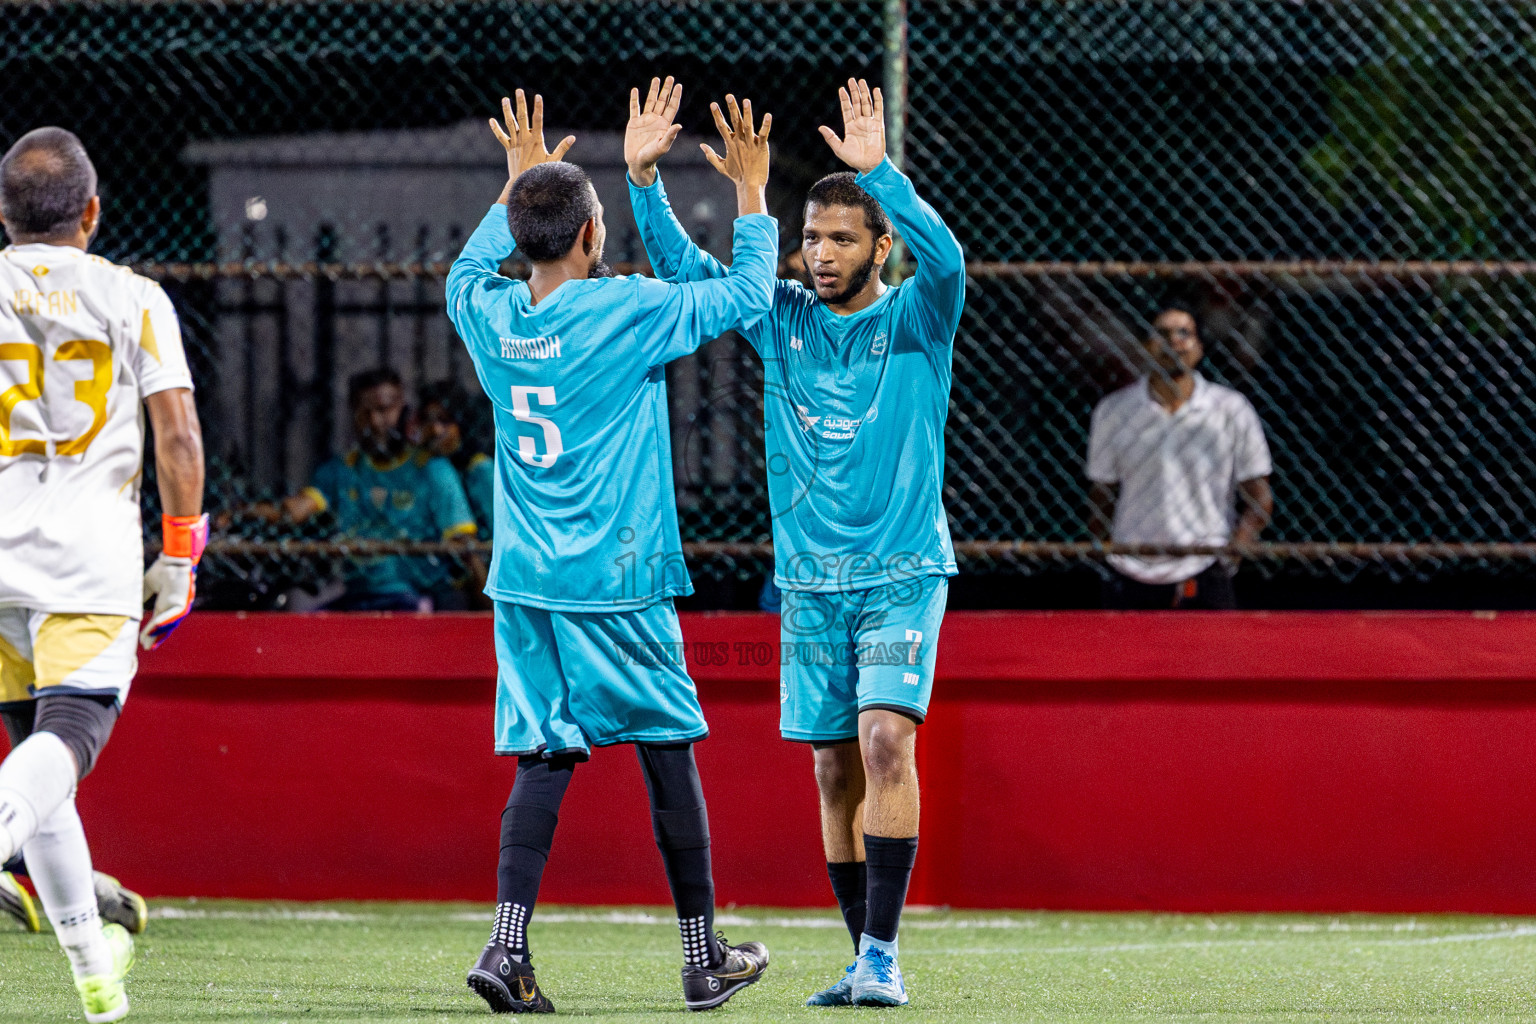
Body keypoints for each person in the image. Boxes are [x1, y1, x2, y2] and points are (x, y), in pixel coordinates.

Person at [630, 77, 964, 1007]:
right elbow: (688, 273)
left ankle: (884, 958)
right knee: (831, 767)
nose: (820, 254)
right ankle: (863, 958)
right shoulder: (781, 318)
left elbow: (947, 258)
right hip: (812, 584)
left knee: (885, 740)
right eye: (811, 237)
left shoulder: (917, 318)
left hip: (901, 571)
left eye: (842, 239)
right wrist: (645, 182)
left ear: (880, 247)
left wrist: (882, 175)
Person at [446, 85, 777, 1012]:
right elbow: (748, 293)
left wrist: (516, 185)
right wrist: (749, 193)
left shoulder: (485, 311)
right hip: (615, 581)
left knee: (544, 755)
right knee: (667, 746)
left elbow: (470, 264)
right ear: (594, 235)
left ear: (520, 236)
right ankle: (702, 956)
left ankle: (508, 947)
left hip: (524, 583)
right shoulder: (625, 311)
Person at [0, 126, 207, 1023]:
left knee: (40, 764)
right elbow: (178, 435)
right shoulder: (133, 296)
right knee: (71, 737)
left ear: (3, 214)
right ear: (91, 212)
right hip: (84, 559)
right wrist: (180, 553)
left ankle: (95, 971)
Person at [1086, 302, 1274, 609]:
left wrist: (1235, 550)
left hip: (1205, 563)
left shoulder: (1230, 409)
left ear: (1199, 347)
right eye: (1163, 334)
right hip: (1131, 565)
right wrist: (1108, 550)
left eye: (1184, 333)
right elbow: (1101, 495)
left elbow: (1259, 496)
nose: (1174, 342)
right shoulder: (1114, 411)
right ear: (1146, 346)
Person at [254, 367, 479, 610]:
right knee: (309, 623)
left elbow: (463, 542)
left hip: (416, 595)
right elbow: (295, 511)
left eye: (384, 410)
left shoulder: (431, 469)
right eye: (365, 413)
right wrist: (242, 513)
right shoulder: (341, 470)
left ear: (403, 410)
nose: (374, 422)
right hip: (358, 596)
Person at [416, 379, 495, 537]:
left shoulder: (481, 468)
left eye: (444, 420)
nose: (436, 430)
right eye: (428, 420)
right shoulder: (426, 463)